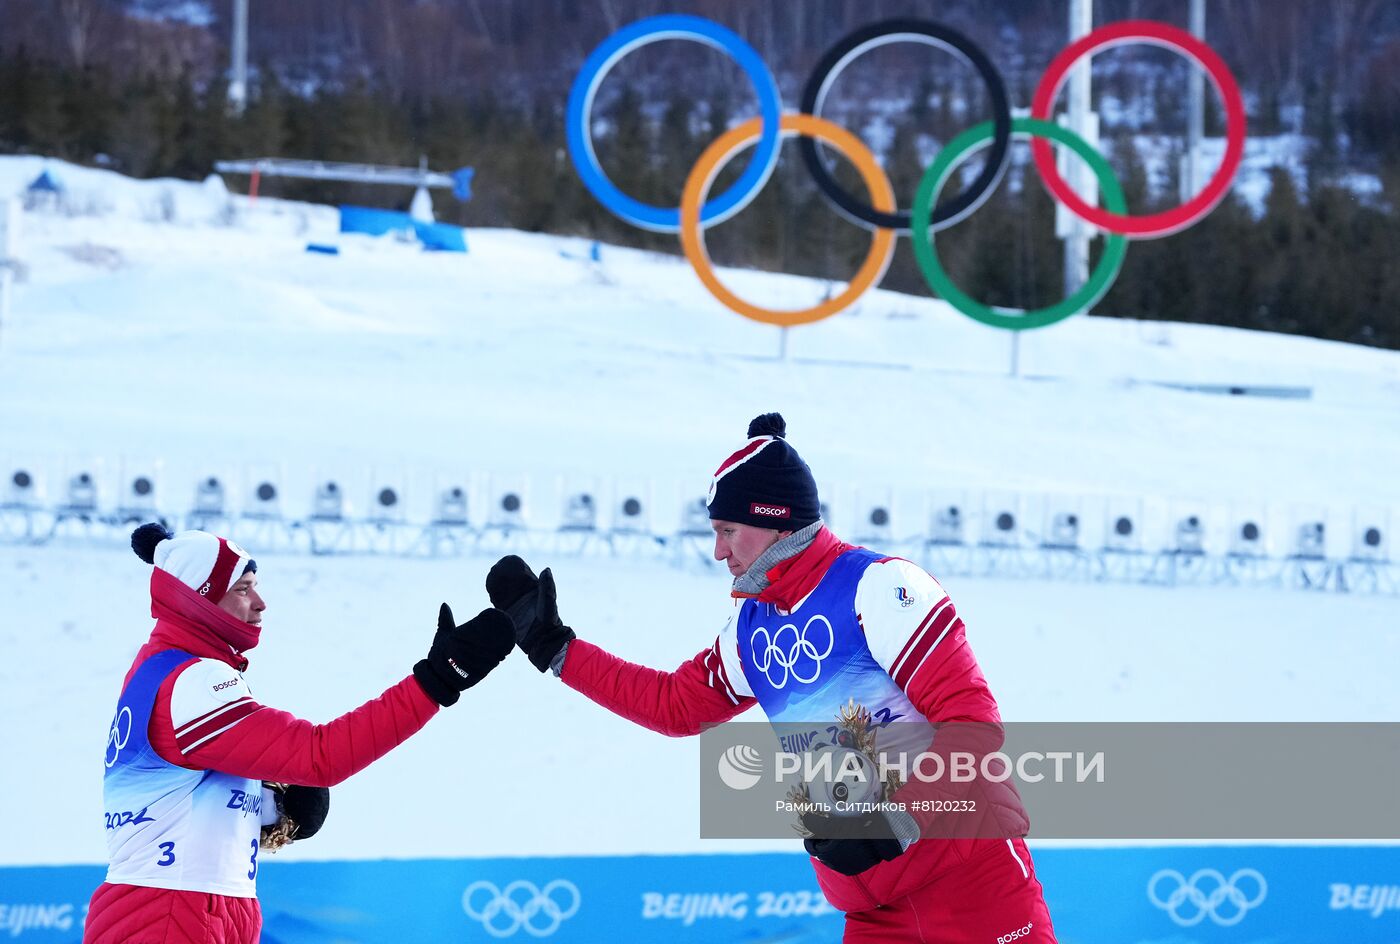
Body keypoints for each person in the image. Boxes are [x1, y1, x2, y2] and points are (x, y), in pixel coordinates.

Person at [486, 413, 1057, 943]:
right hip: (871, 905)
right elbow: (675, 706)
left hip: (970, 879)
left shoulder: (878, 588)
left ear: (774, 519)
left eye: (729, 530)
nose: (719, 552)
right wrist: (557, 649)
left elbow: (973, 726)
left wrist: (894, 819)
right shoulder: (749, 626)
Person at [86, 523, 514, 944]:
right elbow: (320, 756)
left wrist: (276, 809)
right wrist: (435, 682)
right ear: (197, 600)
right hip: (171, 912)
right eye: (242, 589)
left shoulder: (167, 669)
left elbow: (176, 797)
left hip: (190, 904)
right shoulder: (192, 681)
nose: (260, 603)